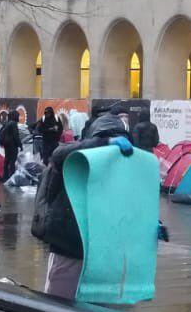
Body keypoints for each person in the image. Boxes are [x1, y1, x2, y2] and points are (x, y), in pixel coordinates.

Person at [31, 114, 134, 299]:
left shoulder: (118, 170)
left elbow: (127, 206)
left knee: (99, 310)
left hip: (100, 253)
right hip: (69, 247)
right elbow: (58, 154)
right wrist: (105, 143)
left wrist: (149, 224)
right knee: (58, 306)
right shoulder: (74, 159)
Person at [0, 111, 20, 181]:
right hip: (13, 145)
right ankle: (12, 178)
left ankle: (5, 177)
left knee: (7, 161)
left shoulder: (6, 123)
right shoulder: (13, 123)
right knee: (12, 162)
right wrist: (20, 144)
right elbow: (16, 135)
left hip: (6, 145)